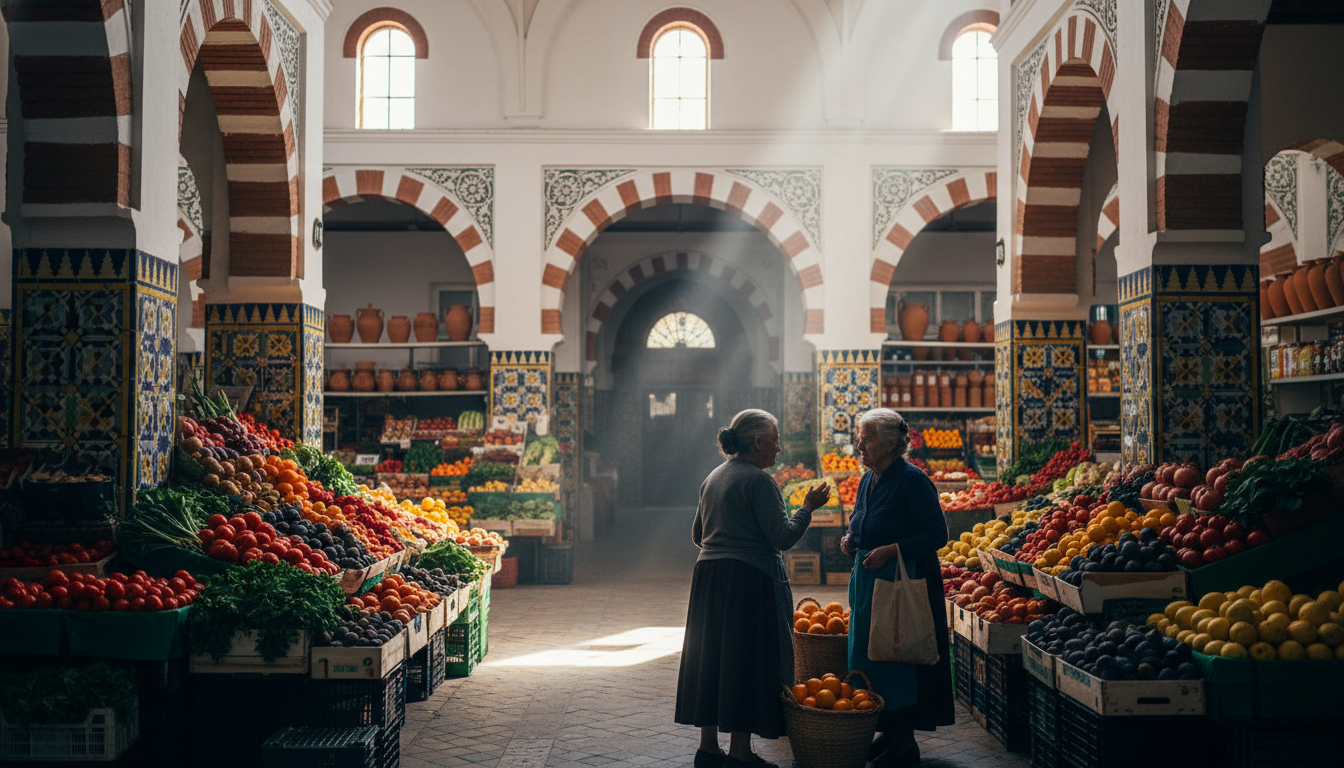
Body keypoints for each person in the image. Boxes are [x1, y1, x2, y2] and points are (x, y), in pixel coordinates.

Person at [675, 408, 832, 768]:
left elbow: (699, 536)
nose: (779, 449)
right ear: (758, 442)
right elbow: (783, 536)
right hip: (748, 581)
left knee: (712, 658)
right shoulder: (760, 482)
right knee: (744, 660)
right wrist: (807, 507)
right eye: (775, 441)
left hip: (709, 579)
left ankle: (708, 748)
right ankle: (741, 753)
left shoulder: (714, 476)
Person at [840, 408, 954, 768]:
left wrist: (893, 550)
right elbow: (862, 521)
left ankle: (905, 743)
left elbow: (937, 534)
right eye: (860, 437)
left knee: (897, 659)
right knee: (870, 658)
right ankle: (888, 731)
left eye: (867, 438)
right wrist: (850, 538)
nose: (860, 444)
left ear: (891, 444)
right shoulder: (867, 479)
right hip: (869, 584)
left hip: (901, 586)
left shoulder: (913, 481)